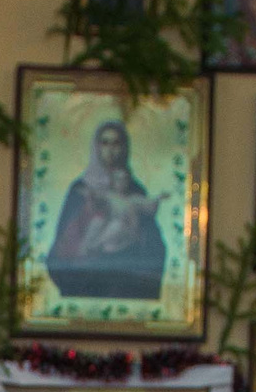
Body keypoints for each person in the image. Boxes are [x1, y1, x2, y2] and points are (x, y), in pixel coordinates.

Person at [45, 121, 169, 302]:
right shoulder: (80, 188)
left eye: (116, 143)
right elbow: (65, 239)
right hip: (88, 274)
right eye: (105, 143)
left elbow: (151, 240)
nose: (111, 150)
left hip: (125, 274)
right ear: (96, 147)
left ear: (124, 148)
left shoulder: (134, 189)